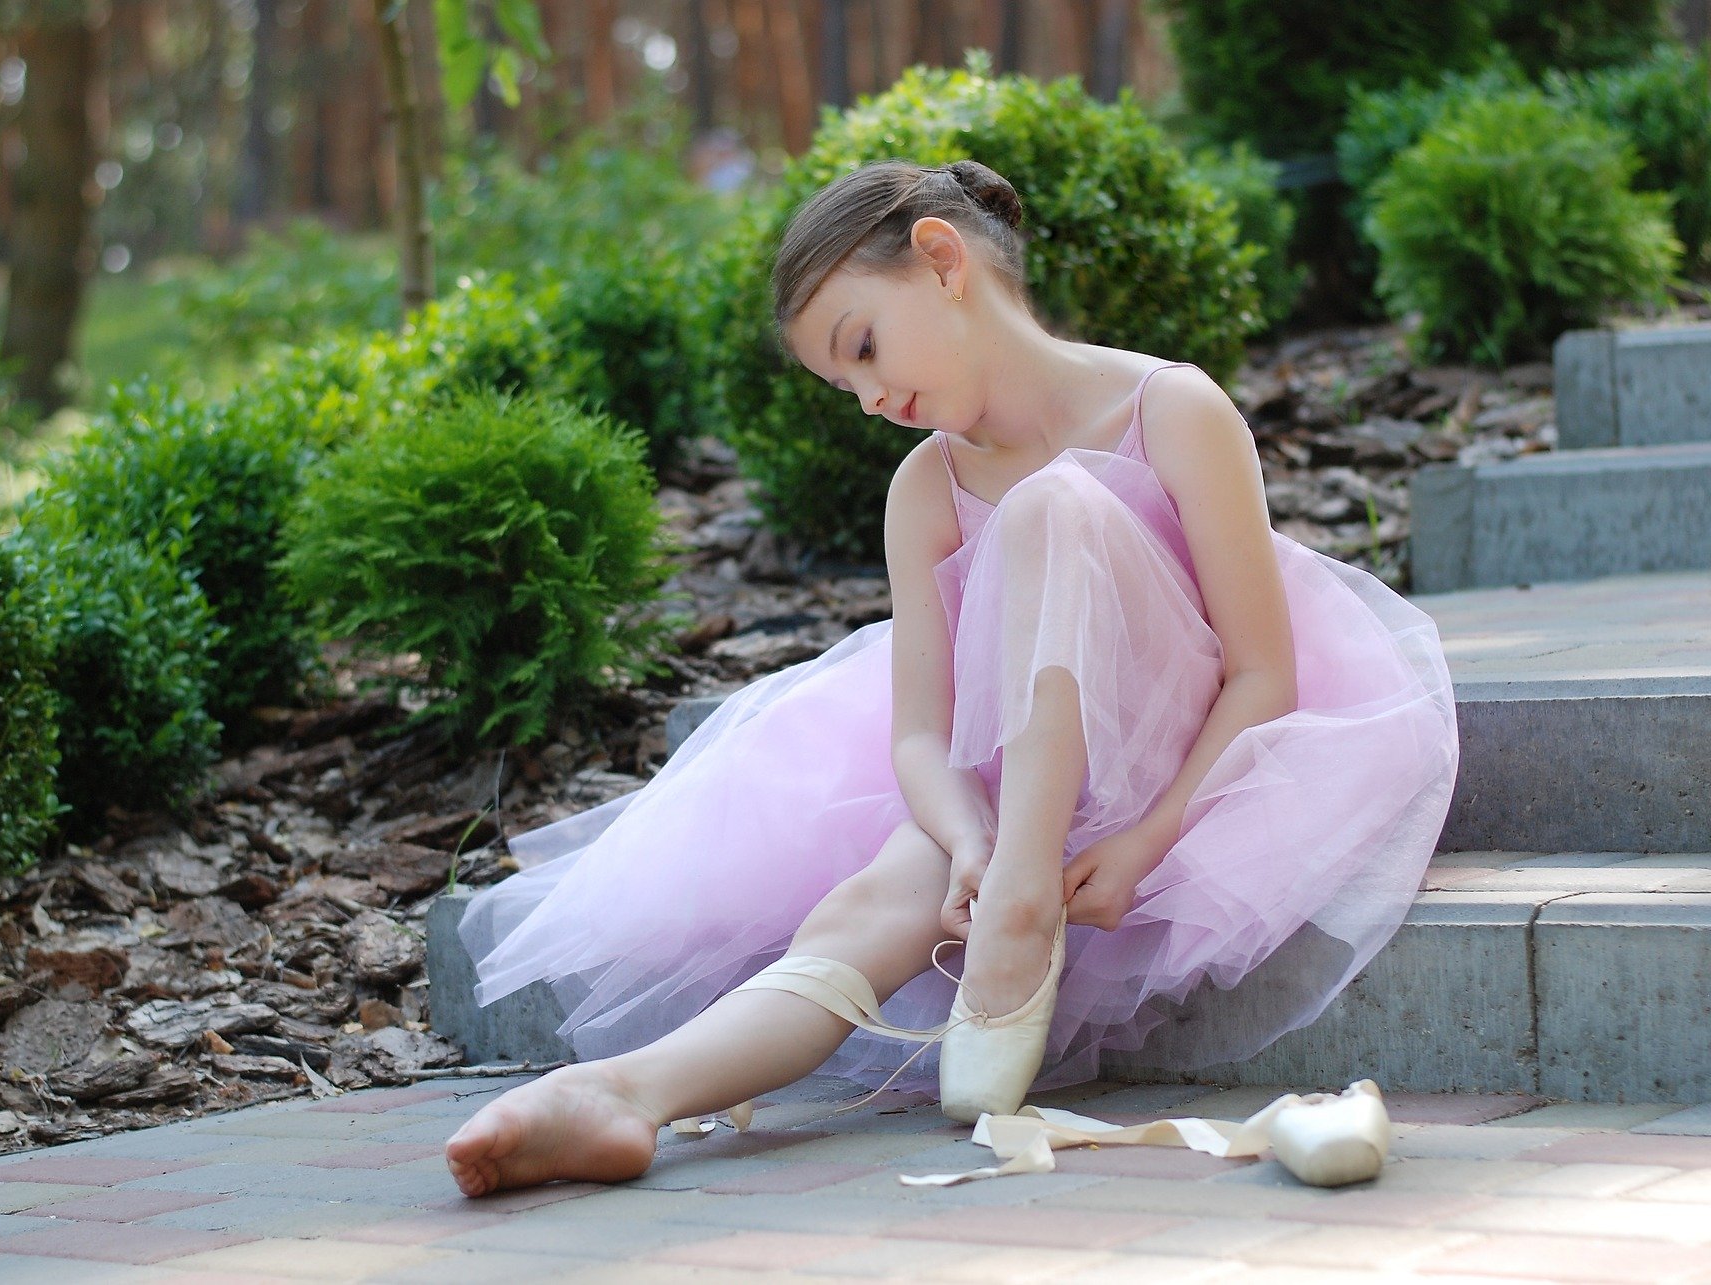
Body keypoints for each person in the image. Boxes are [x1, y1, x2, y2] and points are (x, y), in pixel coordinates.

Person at [443, 159, 1459, 1196]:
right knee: (877, 898)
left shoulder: (1172, 409)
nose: (874, 398)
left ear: (941, 259)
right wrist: (970, 839)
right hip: (1011, 786)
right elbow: (921, 737)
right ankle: (621, 1092)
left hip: (1172, 759)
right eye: (847, 388)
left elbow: (1260, 674)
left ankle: (1018, 912)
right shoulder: (923, 488)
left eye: (865, 347)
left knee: (1052, 508)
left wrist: (1146, 838)